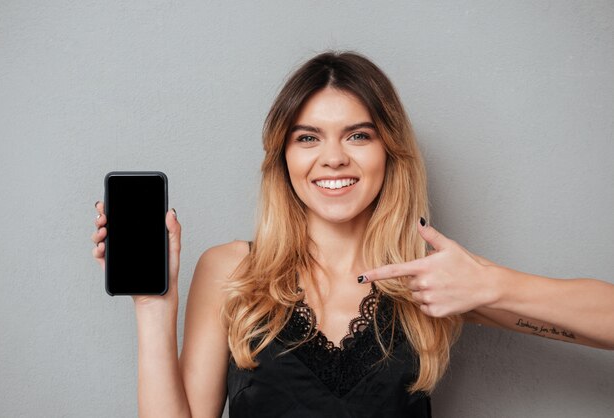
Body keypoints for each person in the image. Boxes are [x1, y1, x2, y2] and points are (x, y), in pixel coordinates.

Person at [91, 51, 614, 418]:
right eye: (308, 137)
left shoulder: (428, 276)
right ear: (285, 157)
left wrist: (493, 285)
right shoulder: (232, 271)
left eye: (358, 135)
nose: (333, 157)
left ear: (388, 151)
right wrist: (152, 306)